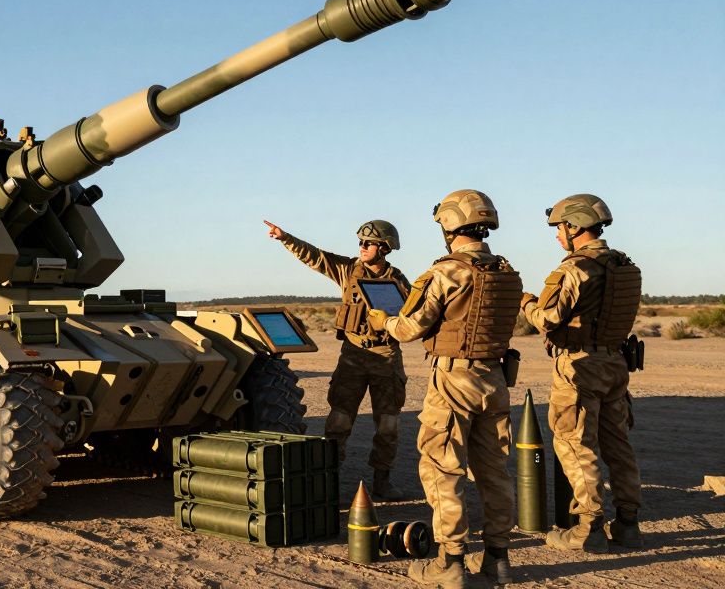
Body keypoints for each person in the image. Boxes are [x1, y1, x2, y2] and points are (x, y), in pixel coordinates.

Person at [367, 190, 519, 588]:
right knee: (494, 472)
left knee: (443, 469)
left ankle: (449, 564)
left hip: (454, 381)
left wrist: (383, 321)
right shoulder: (505, 271)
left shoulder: (445, 273)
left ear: (450, 224)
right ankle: (498, 560)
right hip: (496, 380)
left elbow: (409, 327)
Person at [520, 193, 643, 553]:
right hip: (615, 365)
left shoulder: (573, 269)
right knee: (618, 446)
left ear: (575, 226)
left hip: (579, 368)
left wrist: (526, 302)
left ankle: (587, 529)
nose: (558, 236)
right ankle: (628, 525)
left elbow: (546, 318)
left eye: (560, 228)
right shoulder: (625, 266)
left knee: (576, 446)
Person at [264, 218, 410, 500]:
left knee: (389, 425)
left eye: (368, 243)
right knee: (339, 422)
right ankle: (329, 478)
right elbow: (315, 257)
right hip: (353, 356)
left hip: (387, 356)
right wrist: (285, 238)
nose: (362, 247)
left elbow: (414, 315)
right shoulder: (347, 270)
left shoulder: (399, 281)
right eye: (360, 242)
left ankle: (383, 480)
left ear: (385, 248)